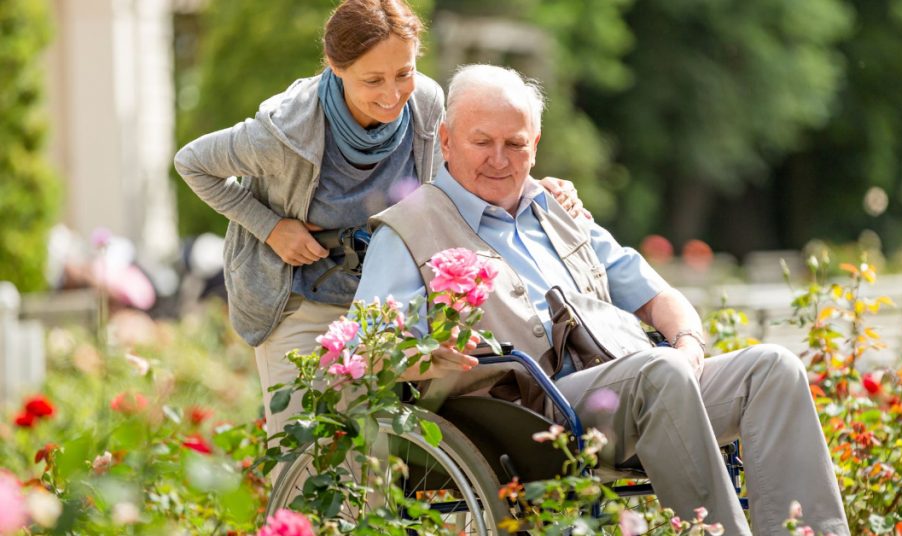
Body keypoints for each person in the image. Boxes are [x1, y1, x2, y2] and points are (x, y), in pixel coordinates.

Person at [353, 64, 850, 535]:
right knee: (661, 372)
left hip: (632, 389)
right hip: (522, 417)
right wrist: (429, 357)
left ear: (536, 145)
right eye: (481, 141)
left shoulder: (559, 210)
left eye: (515, 144)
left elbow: (659, 296)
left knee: (773, 369)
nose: (499, 159)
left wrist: (689, 344)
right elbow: (371, 349)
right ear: (445, 139)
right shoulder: (408, 230)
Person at [173, 0, 584, 443]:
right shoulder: (285, 131)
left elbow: (463, 171)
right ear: (335, 67)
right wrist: (270, 227)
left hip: (387, 305)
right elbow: (191, 162)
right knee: (306, 452)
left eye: (403, 73)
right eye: (373, 79)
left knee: (380, 457)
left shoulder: (426, 103)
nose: (392, 93)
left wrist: (536, 186)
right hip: (301, 302)